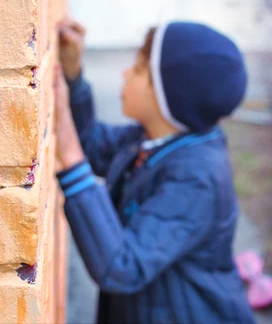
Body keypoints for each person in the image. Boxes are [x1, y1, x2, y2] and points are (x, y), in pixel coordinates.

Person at [54, 18, 256, 323]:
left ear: (169, 96)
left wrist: (69, 155)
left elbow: (121, 266)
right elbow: (91, 146)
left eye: (137, 69)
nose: (124, 73)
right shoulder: (151, 138)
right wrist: (73, 77)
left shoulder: (197, 177)